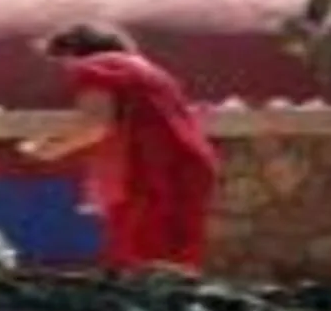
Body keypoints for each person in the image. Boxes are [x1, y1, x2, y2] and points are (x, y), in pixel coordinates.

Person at [17, 22, 219, 277]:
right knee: (177, 259)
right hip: (190, 165)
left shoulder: (94, 67)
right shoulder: (150, 70)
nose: (66, 69)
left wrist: (45, 150)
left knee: (139, 261)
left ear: (72, 51)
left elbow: (96, 124)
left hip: (148, 170)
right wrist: (57, 139)